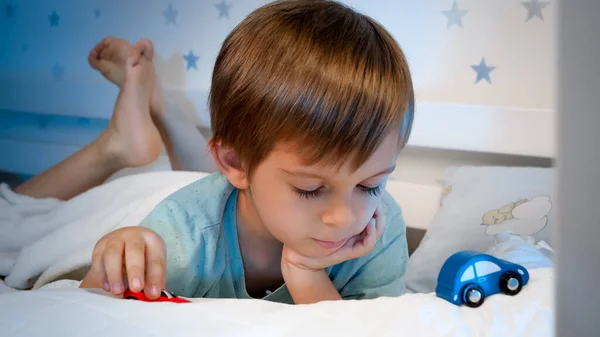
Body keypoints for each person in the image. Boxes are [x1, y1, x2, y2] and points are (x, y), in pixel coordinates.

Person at [33, 0, 414, 305]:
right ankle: (141, 122)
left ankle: (161, 106)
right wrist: (115, 261)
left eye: (370, 185)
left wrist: (306, 272)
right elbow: (83, 313)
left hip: (233, 185)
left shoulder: (379, 229)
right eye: (311, 188)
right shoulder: (182, 239)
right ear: (234, 163)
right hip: (161, 195)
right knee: (17, 214)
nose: (345, 217)